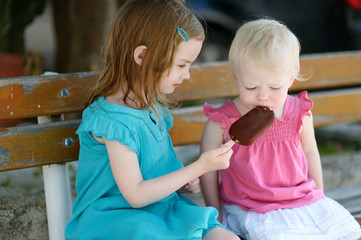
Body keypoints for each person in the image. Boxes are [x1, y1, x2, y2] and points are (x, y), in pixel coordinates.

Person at [64, 1, 240, 239]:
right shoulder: (113, 123)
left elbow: (156, 171)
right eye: (181, 65)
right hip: (116, 218)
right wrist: (198, 167)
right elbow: (135, 195)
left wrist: (182, 184)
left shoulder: (152, 110)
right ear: (143, 55)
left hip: (161, 209)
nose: (187, 74)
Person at [200, 18, 361, 240]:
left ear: (291, 77)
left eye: (275, 87)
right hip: (251, 208)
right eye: (250, 86)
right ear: (236, 76)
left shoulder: (299, 113)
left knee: (346, 231)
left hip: (301, 199)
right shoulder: (221, 123)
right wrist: (215, 212)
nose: (263, 95)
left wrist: (319, 196)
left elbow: (310, 152)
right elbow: (207, 171)